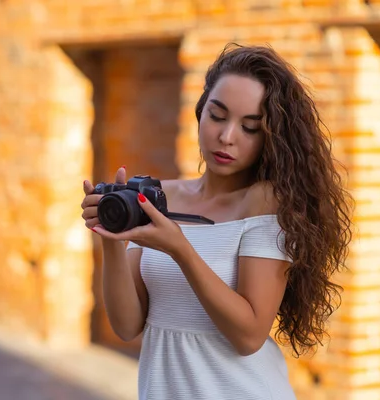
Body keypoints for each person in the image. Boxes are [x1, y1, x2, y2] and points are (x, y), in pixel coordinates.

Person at [81, 43, 353, 400]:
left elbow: (249, 336)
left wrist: (181, 249)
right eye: (218, 115)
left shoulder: (265, 202)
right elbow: (127, 326)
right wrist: (112, 240)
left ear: (270, 137)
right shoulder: (160, 196)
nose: (227, 136)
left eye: (250, 127)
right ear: (200, 111)